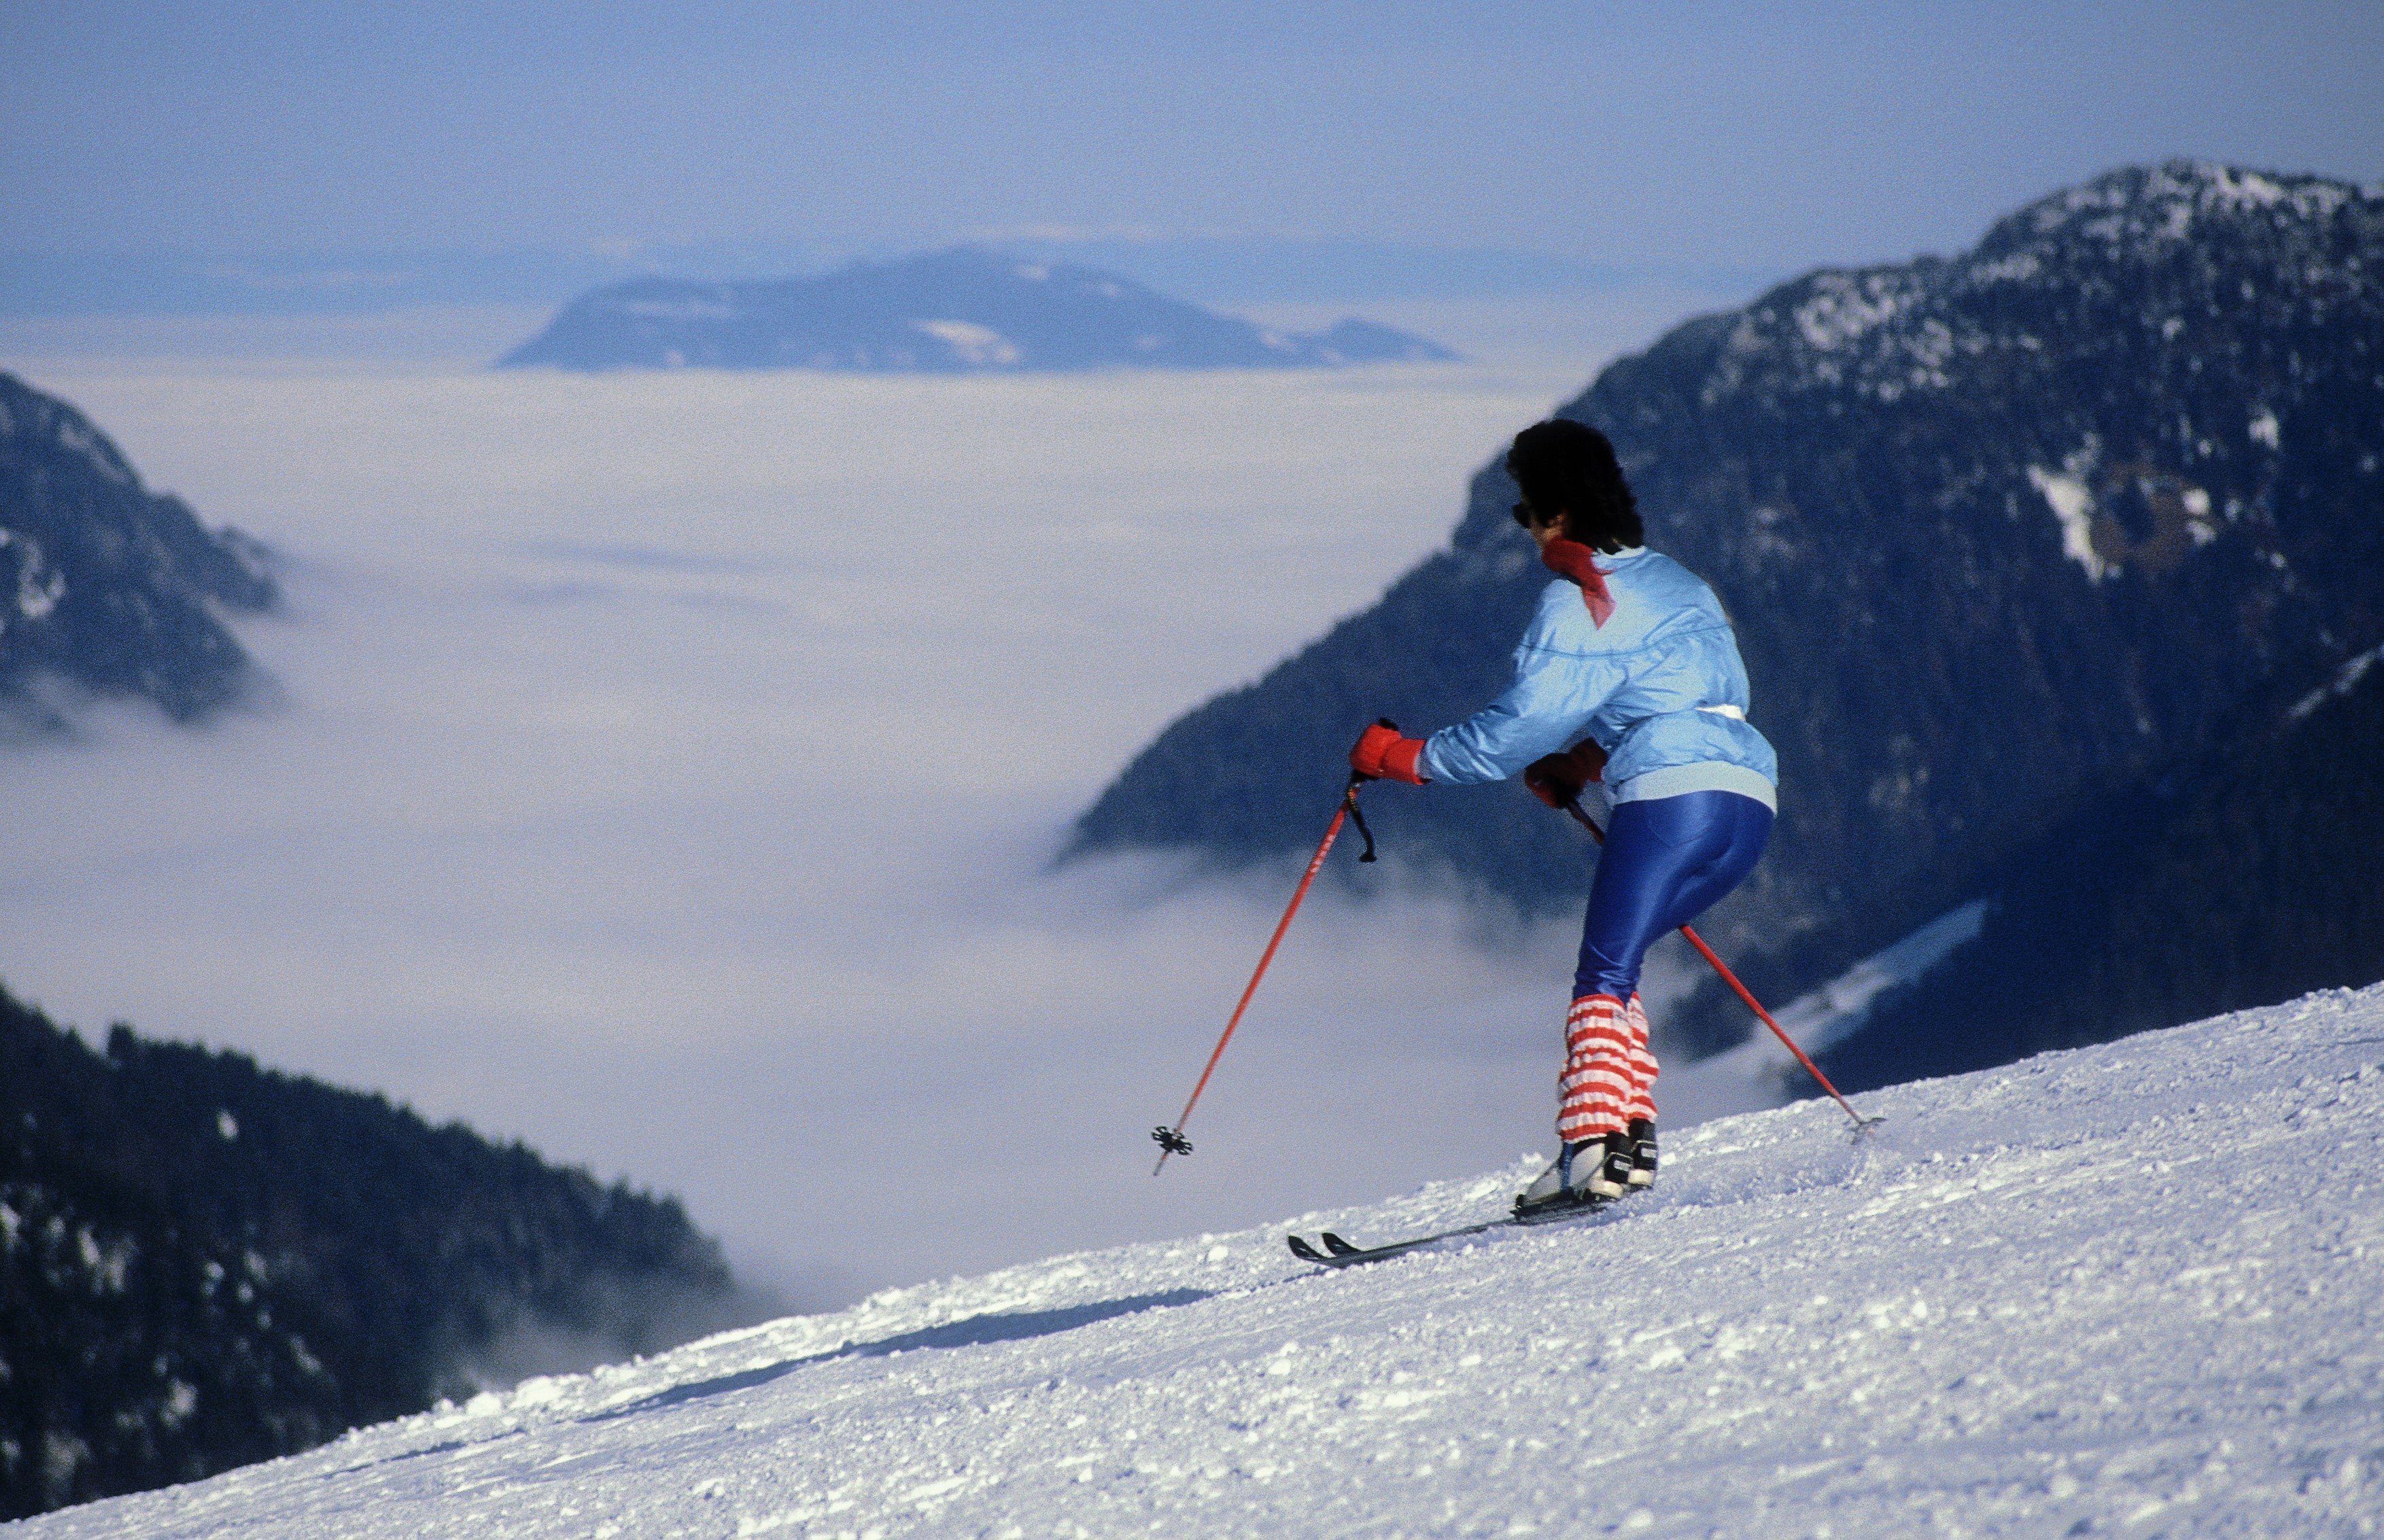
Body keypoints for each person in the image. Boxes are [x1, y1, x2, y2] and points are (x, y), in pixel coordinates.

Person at [1349, 418, 1778, 1219]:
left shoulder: (1583, 597)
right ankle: (1627, 1138)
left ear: (1556, 510)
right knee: (1623, 962)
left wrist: (1402, 757)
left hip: (1668, 796)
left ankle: (1591, 1151)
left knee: (1602, 972)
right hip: (1748, 804)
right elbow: (1688, 694)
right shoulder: (1684, 583)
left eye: (1526, 509)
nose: (1524, 526)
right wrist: (1582, 764)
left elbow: (1516, 728)